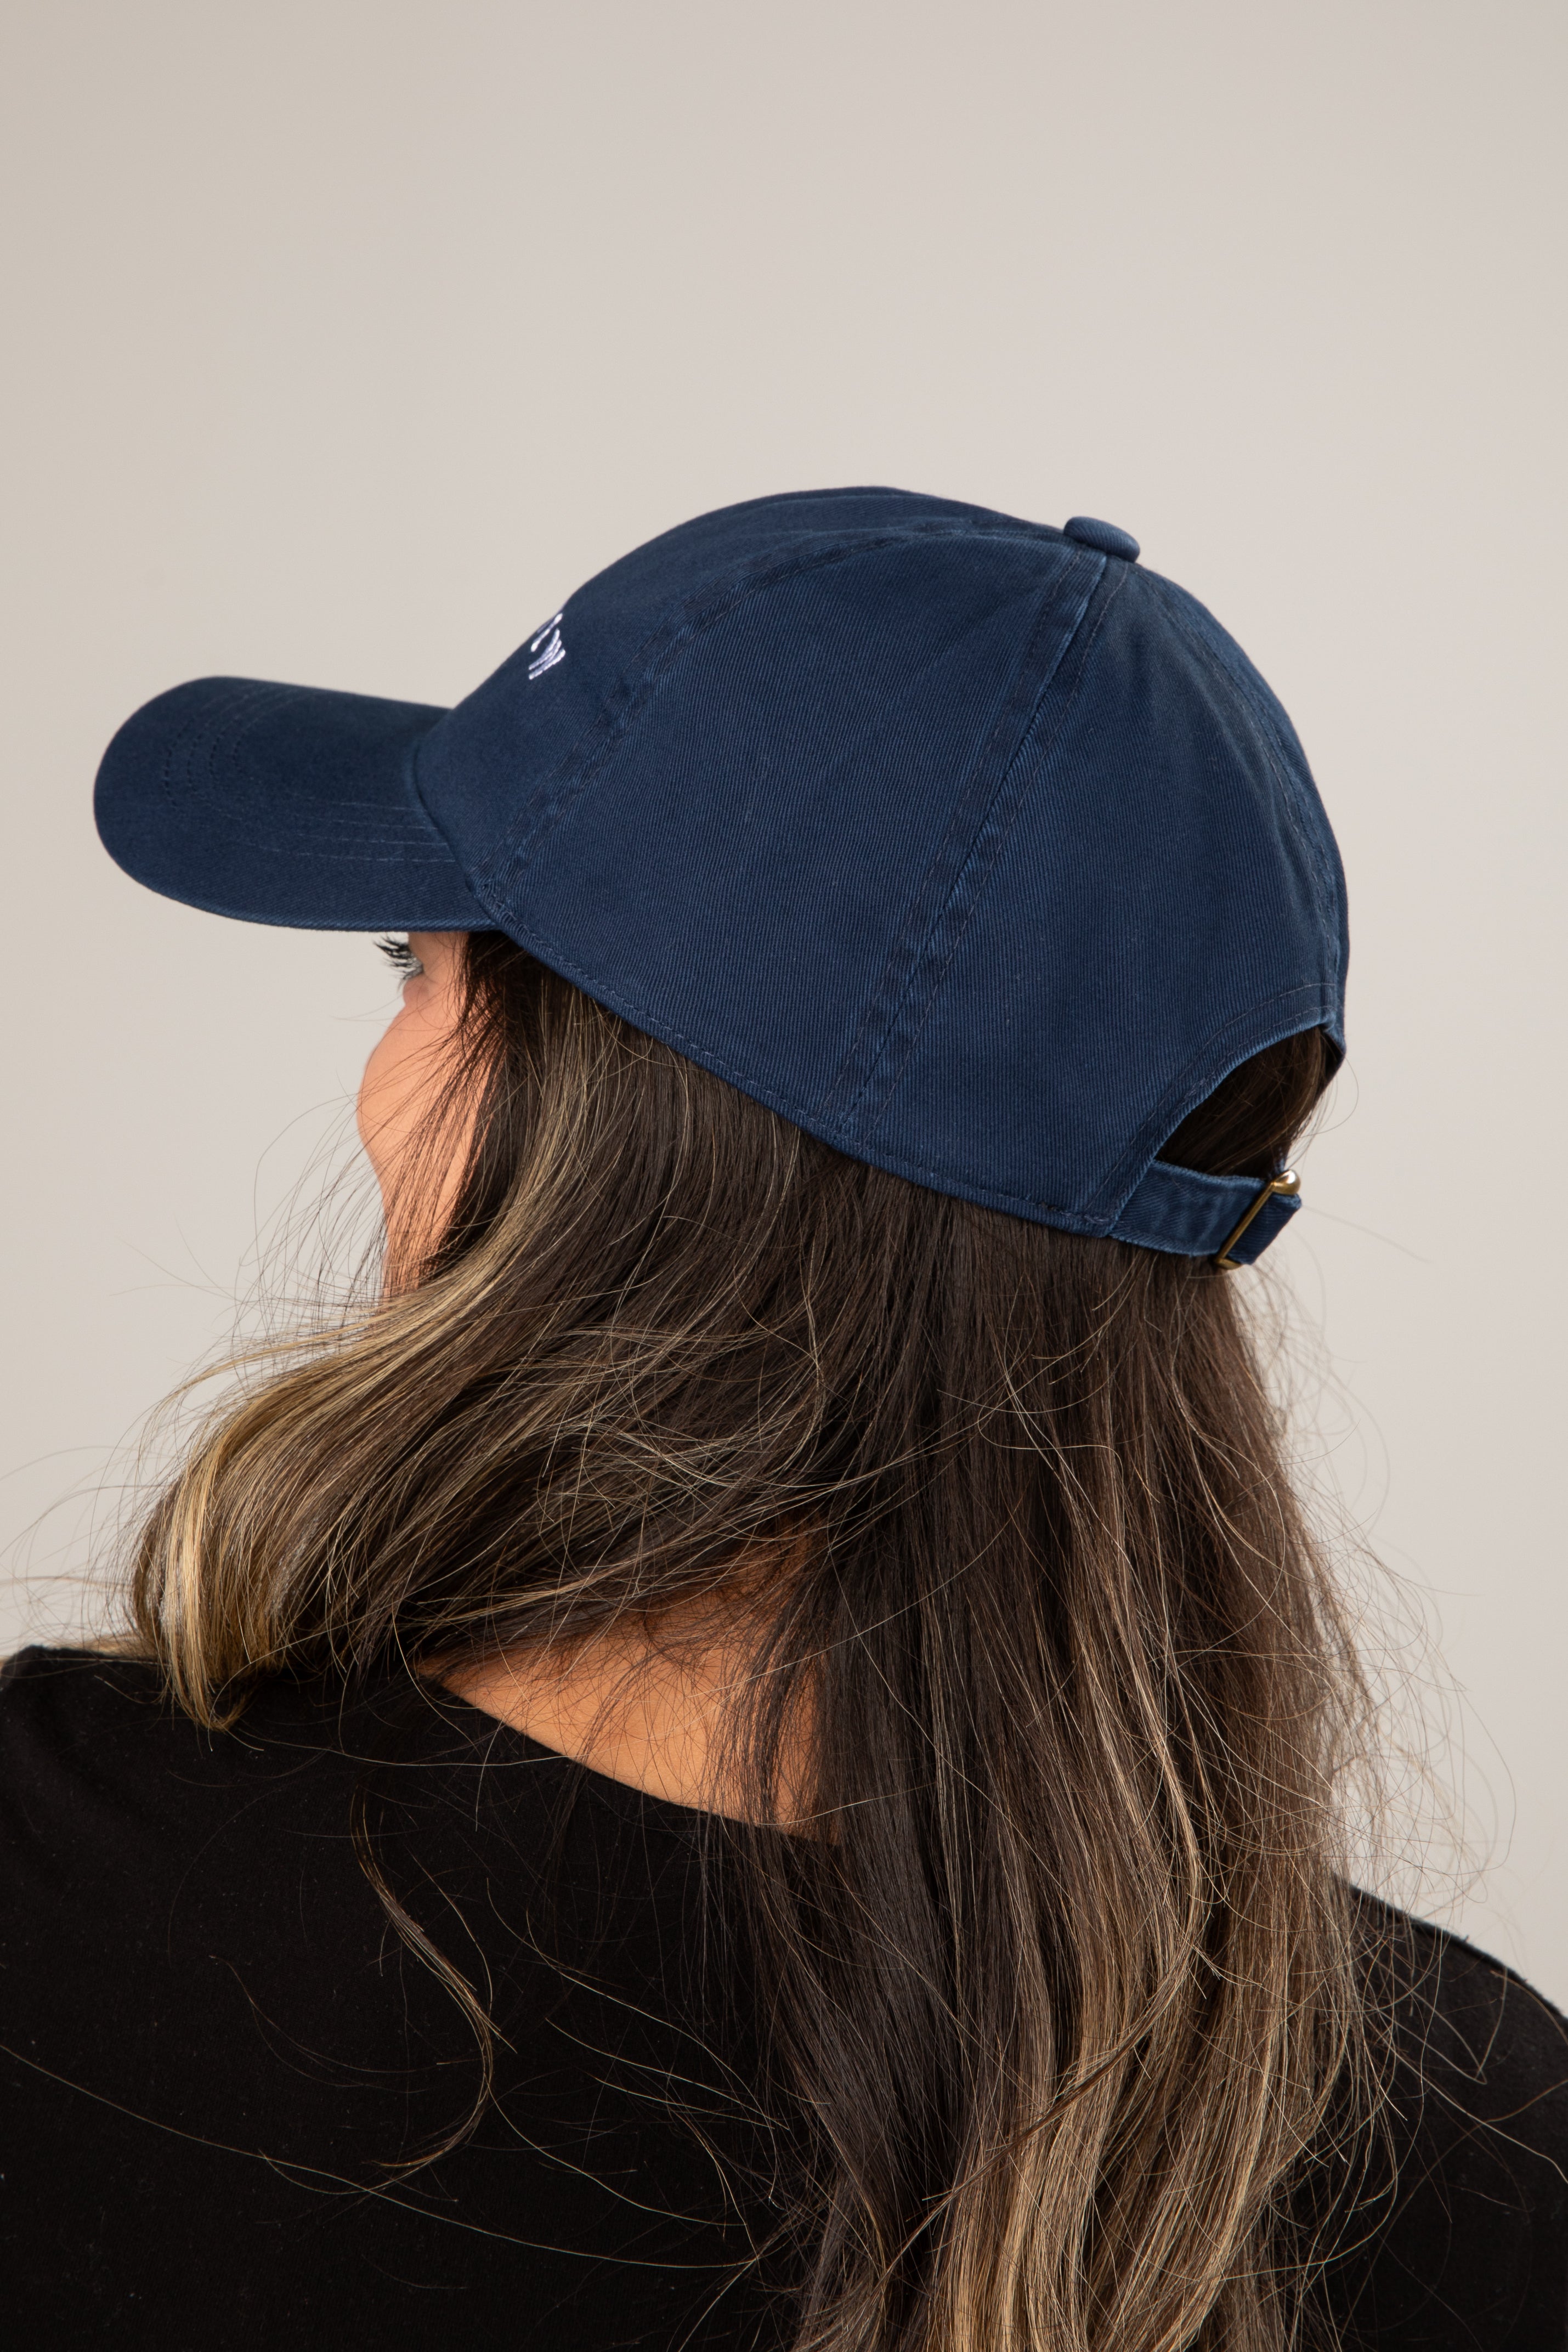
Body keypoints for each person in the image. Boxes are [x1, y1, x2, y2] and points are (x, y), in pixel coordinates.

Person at [3, 489, 1564, 2350]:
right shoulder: (1483, 2150)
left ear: (563, 1135)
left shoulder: (55, 1897)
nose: (384, 1077)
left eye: (416, 970)